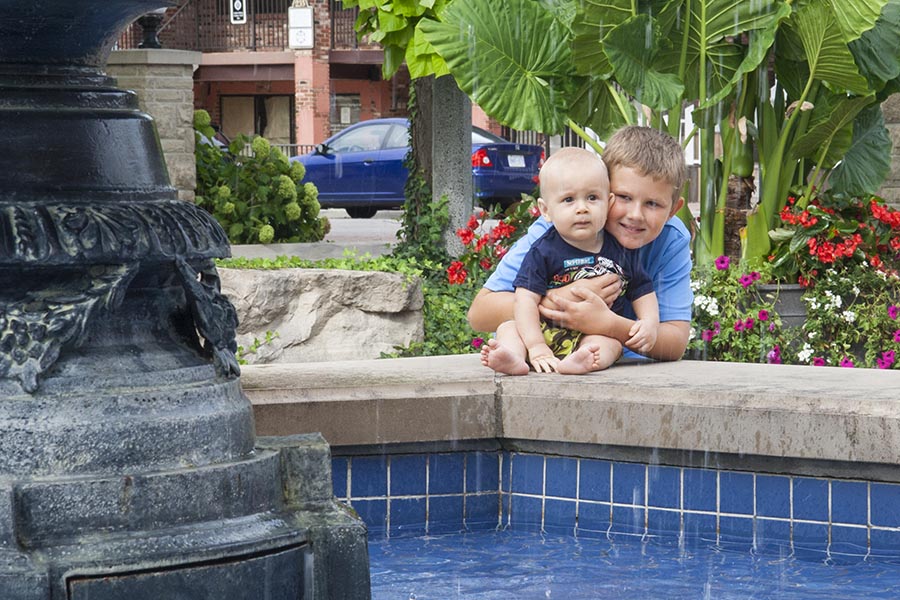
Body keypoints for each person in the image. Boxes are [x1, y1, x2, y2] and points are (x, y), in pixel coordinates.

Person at [469, 125, 692, 362]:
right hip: (536, 350)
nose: (635, 215)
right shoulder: (558, 229)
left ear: (673, 210)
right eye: (624, 197)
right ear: (606, 191)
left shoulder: (671, 239)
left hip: (601, 356)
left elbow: (675, 343)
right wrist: (562, 299)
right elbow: (480, 313)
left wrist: (609, 324)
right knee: (510, 331)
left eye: (653, 204)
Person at [481, 148, 659, 375]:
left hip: (591, 334)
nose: (582, 208)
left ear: (609, 202)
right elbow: (524, 300)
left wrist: (650, 322)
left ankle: (582, 360)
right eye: (568, 199)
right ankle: (513, 358)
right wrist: (536, 346)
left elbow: (643, 290)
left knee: (612, 344)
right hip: (542, 329)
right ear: (546, 210)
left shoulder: (622, 251)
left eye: (592, 198)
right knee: (509, 327)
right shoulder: (543, 251)